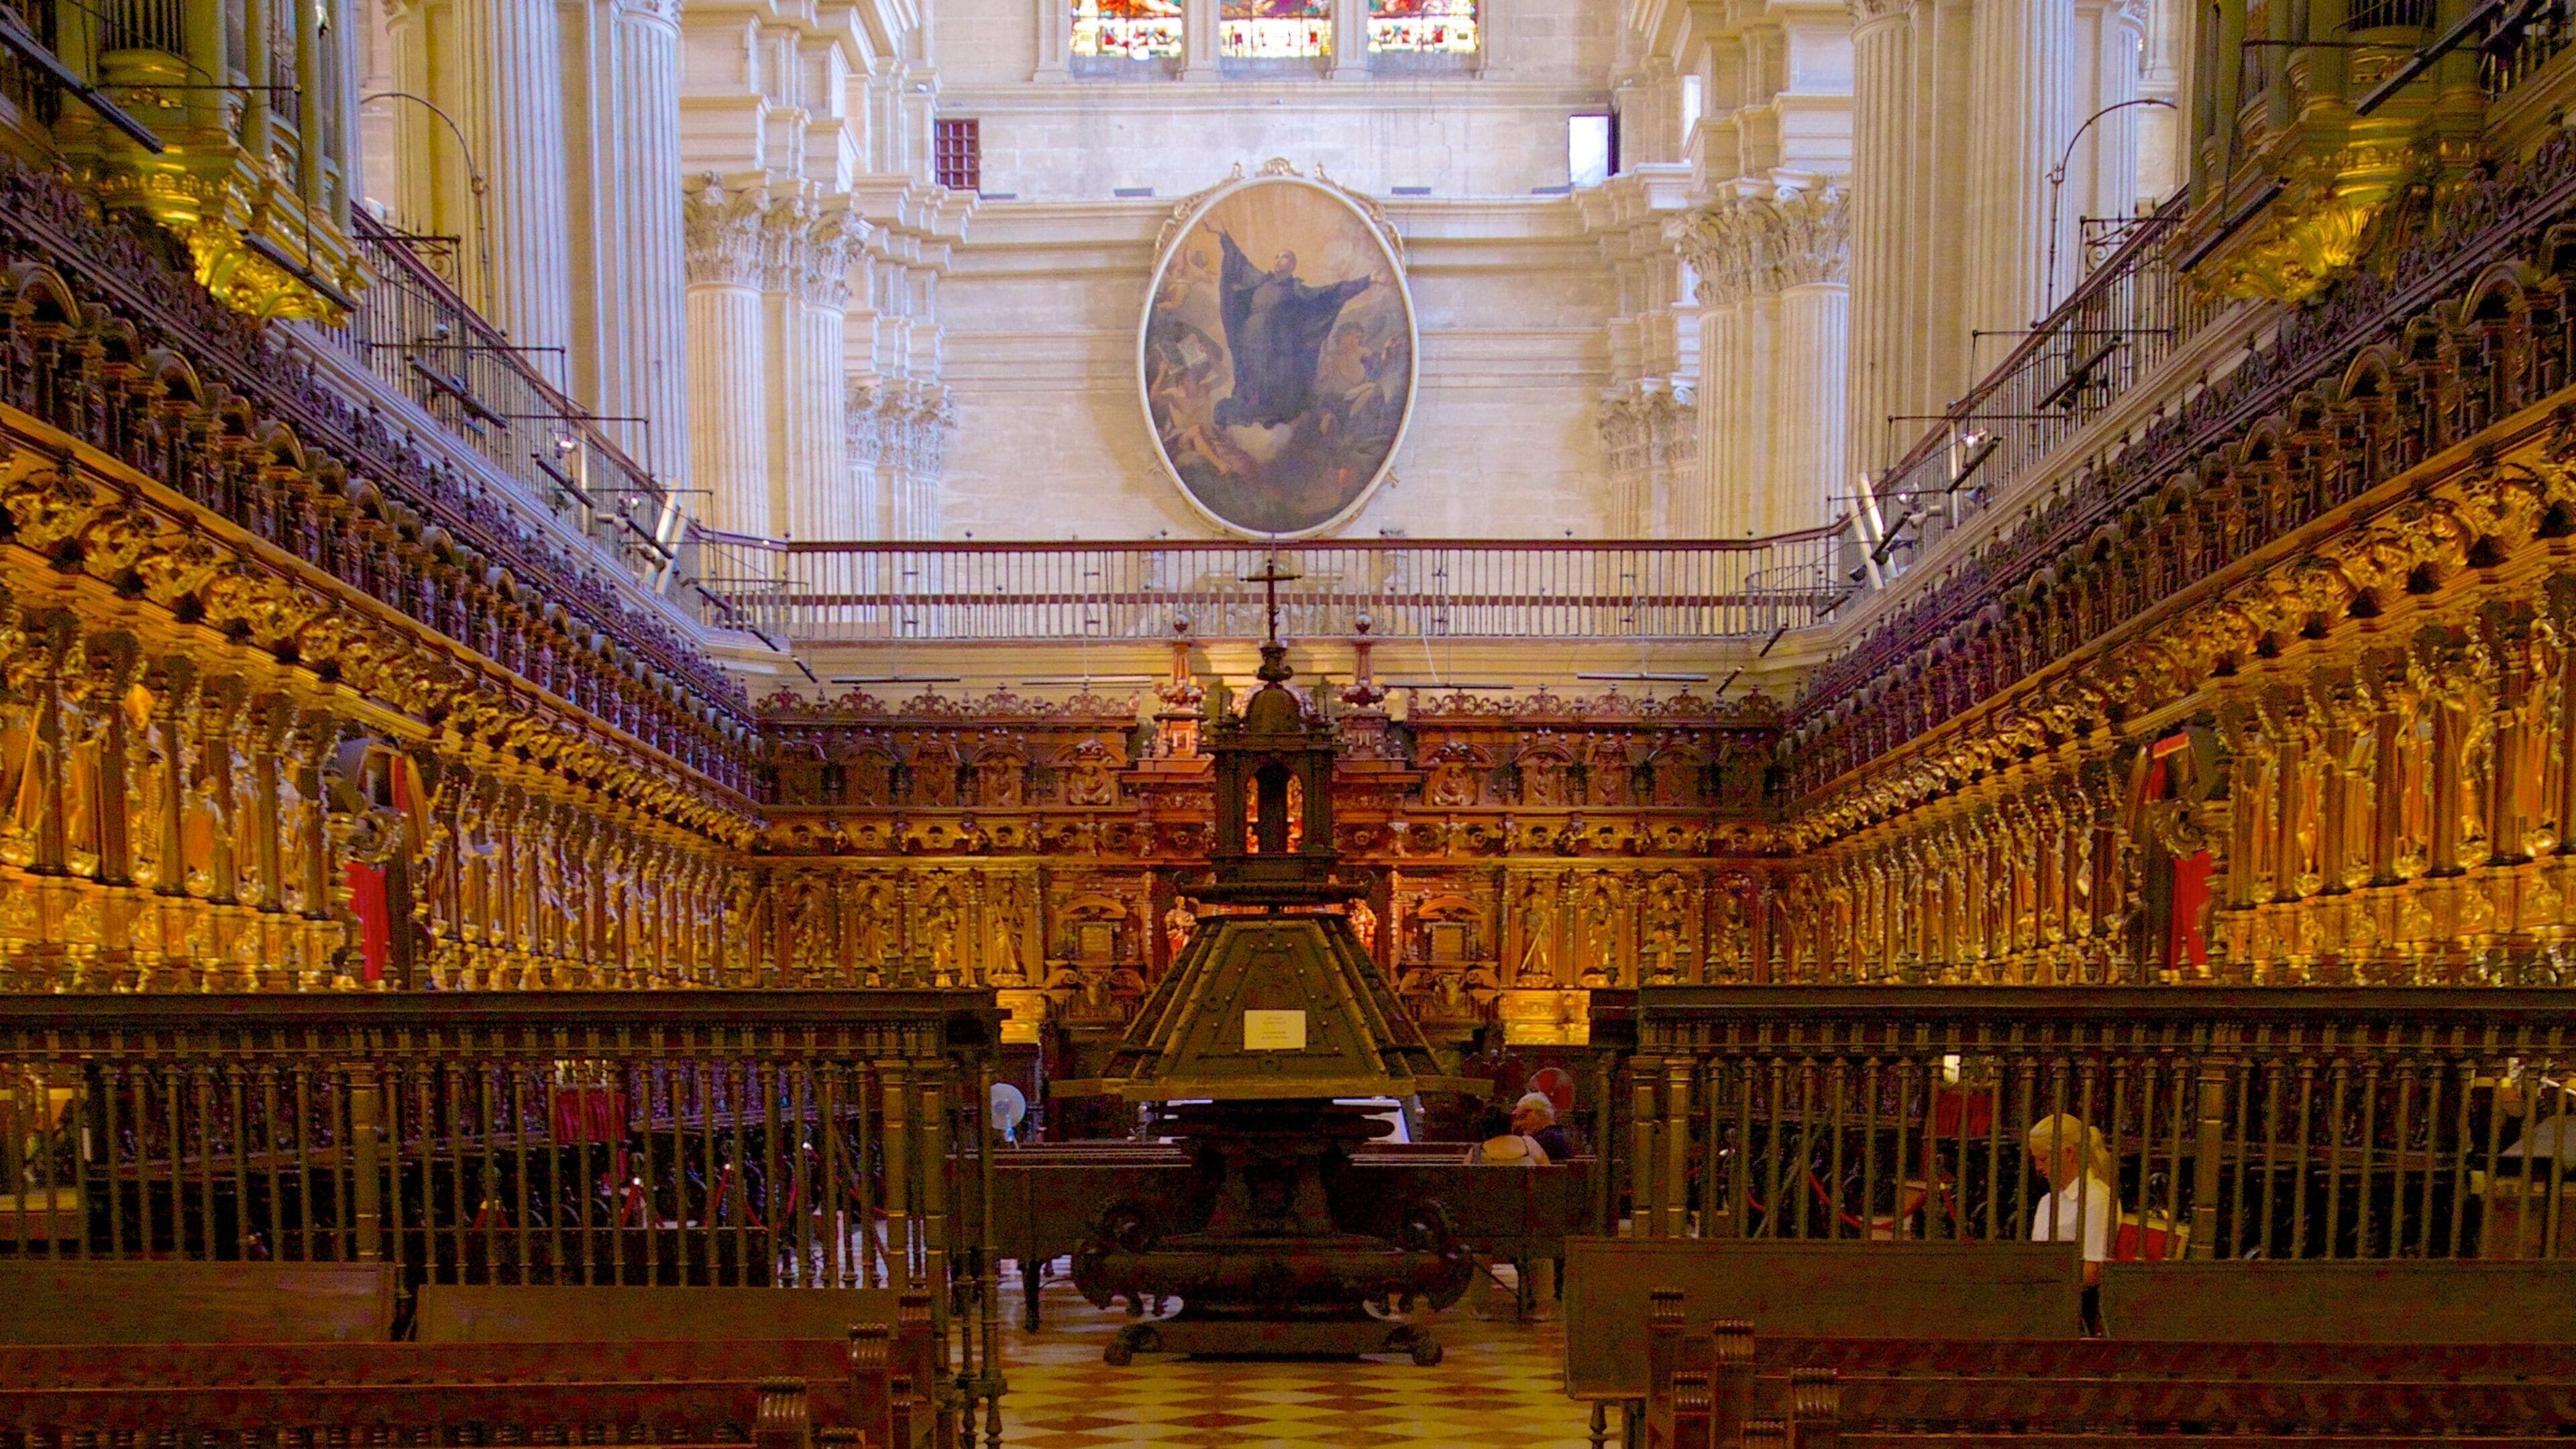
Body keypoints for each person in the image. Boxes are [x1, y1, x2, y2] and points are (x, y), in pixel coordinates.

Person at [2026, 1113, 2115, 1334]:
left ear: (2068, 1153)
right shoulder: (2048, 1201)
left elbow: (2092, 1271)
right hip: (2044, 1296)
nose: (2037, 1167)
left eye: (2043, 1159)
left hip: (2074, 1308)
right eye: (2035, 1159)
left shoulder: (2095, 1199)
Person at [1513, 1092, 1573, 1165]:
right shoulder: (1554, 1134)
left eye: (1523, 1117)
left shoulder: (1549, 1138)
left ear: (1537, 1114)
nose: (1519, 1123)